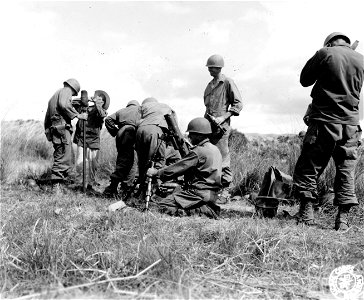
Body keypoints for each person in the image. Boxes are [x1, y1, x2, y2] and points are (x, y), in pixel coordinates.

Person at [293, 32, 363, 230]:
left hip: (324, 122)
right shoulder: (360, 59)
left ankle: (306, 215)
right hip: (351, 125)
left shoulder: (325, 53)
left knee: (309, 167)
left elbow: (305, 79)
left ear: (330, 43)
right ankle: (343, 220)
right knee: (346, 171)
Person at [146, 117, 222, 218]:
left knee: (161, 205)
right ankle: (204, 208)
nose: (189, 136)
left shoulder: (199, 151)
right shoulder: (215, 149)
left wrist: (156, 172)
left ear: (199, 135)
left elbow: (178, 168)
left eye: (192, 134)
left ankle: (198, 211)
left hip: (198, 194)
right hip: (213, 195)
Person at [203, 54, 243, 204]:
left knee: (223, 158)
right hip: (208, 125)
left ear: (218, 68)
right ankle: (212, 188)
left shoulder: (227, 82)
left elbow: (238, 104)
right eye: (209, 68)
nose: (209, 71)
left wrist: (222, 117)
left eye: (211, 68)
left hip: (221, 127)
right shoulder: (209, 85)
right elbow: (207, 108)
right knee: (209, 157)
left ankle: (225, 190)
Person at [44, 78, 88, 183]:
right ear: (73, 89)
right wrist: (78, 115)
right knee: (64, 156)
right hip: (62, 129)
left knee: (62, 154)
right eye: (73, 94)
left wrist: (48, 131)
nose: (71, 96)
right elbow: (64, 104)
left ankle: (61, 182)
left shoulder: (55, 95)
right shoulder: (66, 91)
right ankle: (56, 185)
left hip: (56, 129)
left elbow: (47, 117)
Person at [135, 97, 176, 192]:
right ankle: (153, 190)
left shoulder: (142, 107)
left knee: (142, 162)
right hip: (155, 130)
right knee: (158, 160)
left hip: (140, 131)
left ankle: (142, 188)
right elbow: (174, 125)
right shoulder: (164, 106)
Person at [103, 100, 141, 197]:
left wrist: (115, 131)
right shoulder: (139, 110)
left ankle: (122, 187)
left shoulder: (122, 110)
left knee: (125, 160)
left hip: (121, 133)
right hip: (130, 132)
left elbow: (108, 119)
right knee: (127, 162)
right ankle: (113, 189)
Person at [73, 90, 109, 189]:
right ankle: (80, 182)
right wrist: (85, 99)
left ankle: (90, 183)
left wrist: (97, 103)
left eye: (101, 100)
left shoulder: (102, 111)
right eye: (97, 98)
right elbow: (73, 103)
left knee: (93, 164)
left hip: (93, 140)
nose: (98, 100)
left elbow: (101, 114)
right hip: (82, 139)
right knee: (80, 163)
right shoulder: (84, 108)